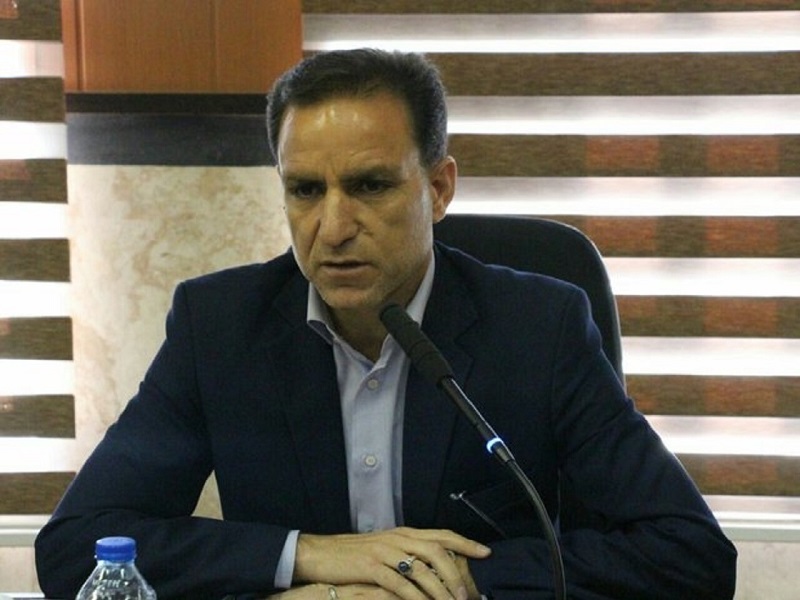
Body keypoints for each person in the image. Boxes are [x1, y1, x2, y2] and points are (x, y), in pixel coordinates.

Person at [35, 48, 737, 600]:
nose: (334, 226)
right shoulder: (219, 328)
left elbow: (691, 555)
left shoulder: (539, 328)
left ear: (438, 188)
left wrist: (441, 581)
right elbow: (75, 549)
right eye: (306, 190)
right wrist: (309, 558)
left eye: (369, 185)